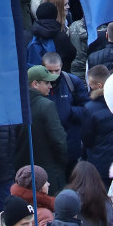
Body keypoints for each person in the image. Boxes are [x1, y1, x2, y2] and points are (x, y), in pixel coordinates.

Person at [17, 66, 69, 195]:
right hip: (49, 174)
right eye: (47, 83)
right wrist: (62, 163)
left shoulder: (16, 106)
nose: (50, 86)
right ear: (35, 84)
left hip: (22, 175)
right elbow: (59, 141)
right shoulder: (47, 106)